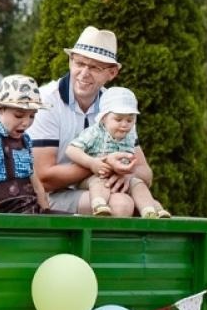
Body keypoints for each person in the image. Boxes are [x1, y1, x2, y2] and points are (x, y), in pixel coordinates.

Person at [28, 25, 154, 213]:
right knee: (121, 204)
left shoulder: (116, 106)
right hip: (45, 197)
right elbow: (44, 178)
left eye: (95, 67)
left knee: (133, 202)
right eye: (79, 63)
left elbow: (146, 173)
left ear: (112, 73)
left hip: (95, 188)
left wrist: (126, 174)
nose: (84, 73)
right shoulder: (47, 101)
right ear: (70, 61)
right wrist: (105, 165)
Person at [66, 86, 170, 218]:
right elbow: (71, 150)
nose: (124, 125)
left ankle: (149, 210)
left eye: (129, 120)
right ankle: (99, 204)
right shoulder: (94, 133)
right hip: (95, 176)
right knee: (99, 182)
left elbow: (141, 169)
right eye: (118, 119)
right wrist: (92, 163)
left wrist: (130, 172)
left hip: (121, 178)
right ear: (104, 118)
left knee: (138, 184)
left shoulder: (130, 136)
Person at [0, 76, 50, 213]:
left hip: (26, 205)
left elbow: (35, 183)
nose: (26, 123)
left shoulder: (25, 140)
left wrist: (47, 213)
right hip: (2, 208)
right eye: (19, 116)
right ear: (0, 109)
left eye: (32, 116)